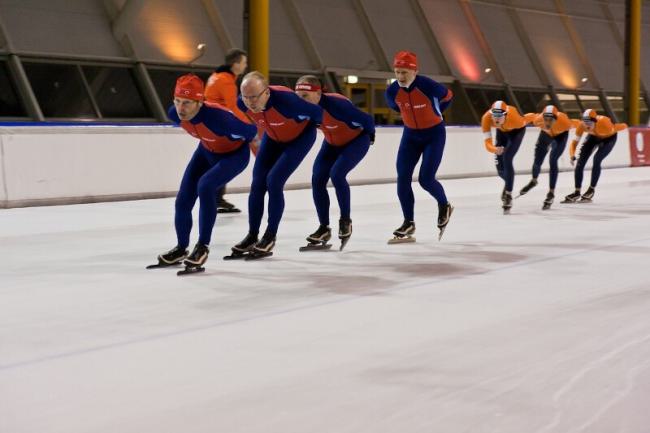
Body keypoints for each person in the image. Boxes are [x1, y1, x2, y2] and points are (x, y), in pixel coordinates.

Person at [149, 74, 257, 274]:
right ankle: (181, 248)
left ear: (200, 102)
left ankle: (202, 247)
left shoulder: (219, 118)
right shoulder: (174, 114)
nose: (181, 108)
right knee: (183, 200)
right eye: (178, 101)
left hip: (234, 156)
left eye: (187, 103)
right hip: (206, 151)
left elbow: (252, 132)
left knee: (205, 186)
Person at [226, 71, 323, 260]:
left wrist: (308, 125)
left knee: (274, 181)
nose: (250, 102)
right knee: (257, 185)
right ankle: (252, 235)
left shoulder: (288, 101)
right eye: (246, 97)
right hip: (273, 138)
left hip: (299, 138)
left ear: (267, 92)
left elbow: (317, 113)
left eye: (254, 97)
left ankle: (270, 236)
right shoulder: (241, 103)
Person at [294, 75, 374, 251]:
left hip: (356, 140)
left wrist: (371, 136)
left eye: (305, 96)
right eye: (297, 96)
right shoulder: (303, 108)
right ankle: (324, 228)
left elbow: (367, 120)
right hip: (331, 144)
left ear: (318, 93)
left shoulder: (337, 105)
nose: (300, 101)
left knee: (337, 174)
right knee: (317, 179)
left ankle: (345, 221)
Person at [384, 50, 454, 243]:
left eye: (404, 72)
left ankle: (444, 205)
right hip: (410, 136)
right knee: (402, 177)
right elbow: (396, 107)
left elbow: (448, 96)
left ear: (414, 71)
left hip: (434, 134)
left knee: (426, 179)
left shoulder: (428, 85)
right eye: (397, 72)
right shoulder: (391, 91)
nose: (400, 76)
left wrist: (437, 112)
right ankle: (408, 222)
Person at [204, 48, 249, 213]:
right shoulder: (226, 80)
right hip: (220, 126)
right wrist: (247, 124)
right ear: (235, 64)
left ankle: (216, 197)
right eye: (244, 63)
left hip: (212, 124)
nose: (245, 66)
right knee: (225, 161)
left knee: (218, 161)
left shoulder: (216, 76)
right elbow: (232, 107)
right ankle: (215, 198)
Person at [518, 105, 579, 210]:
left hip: (560, 136)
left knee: (553, 160)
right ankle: (534, 180)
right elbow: (524, 119)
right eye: (545, 119)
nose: (547, 122)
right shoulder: (538, 120)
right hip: (545, 134)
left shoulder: (565, 122)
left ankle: (551, 193)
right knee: (538, 160)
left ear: (556, 119)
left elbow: (579, 124)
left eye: (551, 120)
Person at [562, 109, 627, 203]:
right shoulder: (582, 125)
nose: (587, 125)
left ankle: (591, 190)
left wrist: (624, 125)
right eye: (585, 122)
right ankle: (577, 192)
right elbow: (574, 143)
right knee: (580, 163)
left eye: (589, 122)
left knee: (597, 160)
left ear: (595, 121)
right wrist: (572, 155)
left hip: (609, 139)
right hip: (593, 137)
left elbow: (619, 127)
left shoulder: (605, 124)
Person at [481, 101, 535, 214]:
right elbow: (487, 143)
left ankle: (508, 195)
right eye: (494, 115)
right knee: (500, 170)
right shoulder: (486, 118)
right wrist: (495, 149)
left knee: (507, 158)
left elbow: (529, 117)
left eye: (499, 116)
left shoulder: (516, 119)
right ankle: (508, 183)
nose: (496, 119)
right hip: (501, 133)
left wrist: (540, 117)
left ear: (506, 114)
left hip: (516, 132)